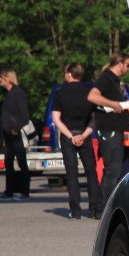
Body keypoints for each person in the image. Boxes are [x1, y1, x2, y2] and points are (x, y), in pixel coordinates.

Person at [51, 62, 103, 220]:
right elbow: (94, 119)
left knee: (72, 173)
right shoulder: (89, 93)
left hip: (68, 137)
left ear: (69, 74)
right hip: (85, 135)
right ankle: (94, 209)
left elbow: (56, 119)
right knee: (91, 172)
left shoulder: (60, 93)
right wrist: (84, 135)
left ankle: (75, 211)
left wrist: (71, 136)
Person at [87, 52, 129, 189]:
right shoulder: (106, 78)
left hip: (116, 129)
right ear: (120, 64)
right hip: (109, 131)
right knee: (112, 171)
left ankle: (108, 201)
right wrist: (113, 104)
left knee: (115, 170)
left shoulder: (114, 80)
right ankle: (105, 202)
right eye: (128, 65)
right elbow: (92, 96)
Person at [0, 68, 32, 200]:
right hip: (7, 134)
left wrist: (16, 128)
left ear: (9, 79)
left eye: (2, 77)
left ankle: (25, 191)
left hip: (16, 133)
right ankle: (9, 191)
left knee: (21, 162)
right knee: (8, 162)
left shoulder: (18, 93)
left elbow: (24, 116)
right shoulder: (8, 94)